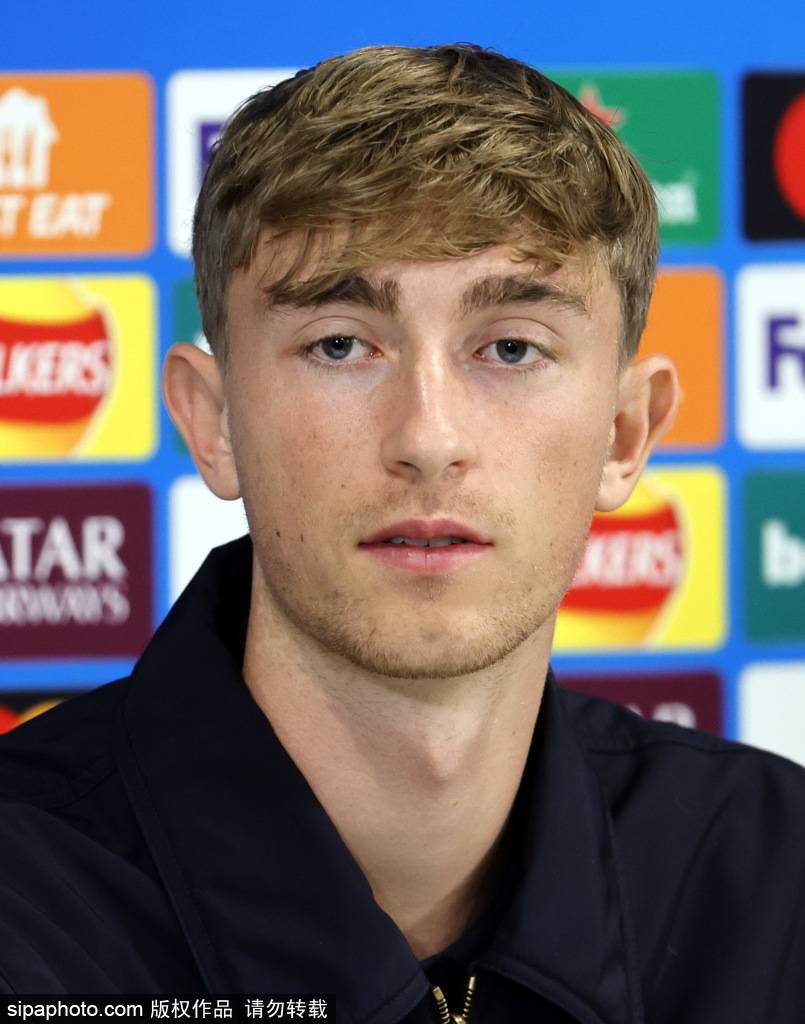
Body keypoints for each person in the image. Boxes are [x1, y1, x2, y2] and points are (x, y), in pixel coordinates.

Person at [1, 43, 805, 1023]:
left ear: (625, 434)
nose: (428, 439)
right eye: (339, 344)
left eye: (512, 347)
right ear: (213, 424)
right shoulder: (24, 898)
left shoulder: (778, 881)